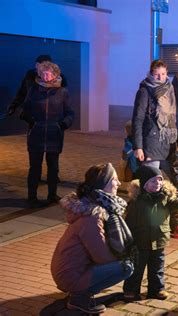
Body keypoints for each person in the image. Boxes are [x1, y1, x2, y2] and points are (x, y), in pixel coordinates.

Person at [51, 163, 134, 314]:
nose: (119, 183)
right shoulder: (92, 216)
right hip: (70, 275)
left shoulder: (91, 206)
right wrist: (121, 256)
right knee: (126, 267)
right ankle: (79, 299)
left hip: (70, 270)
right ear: (103, 185)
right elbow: (101, 256)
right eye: (114, 180)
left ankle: (79, 293)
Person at [123, 162, 178, 301]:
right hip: (140, 240)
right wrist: (129, 241)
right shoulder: (137, 201)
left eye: (159, 180)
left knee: (157, 267)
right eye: (153, 181)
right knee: (137, 268)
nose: (157, 183)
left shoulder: (165, 198)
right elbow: (129, 222)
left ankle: (157, 289)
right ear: (144, 184)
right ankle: (131, 290)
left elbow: (176, 205)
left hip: (159, 239)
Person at [20, 61, 74, 208]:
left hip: (54, 134)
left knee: (53, 167)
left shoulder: (62, 92)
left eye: (48, 72)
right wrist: (31, 121)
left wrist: (62, 124)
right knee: (35, 167)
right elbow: (24, 110)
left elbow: (70, 113)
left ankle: (52, 195)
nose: (45, 75)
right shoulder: (33, 90)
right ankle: (32, 196)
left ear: (56, 74)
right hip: (36, 134)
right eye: (43, 72)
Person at [132, 59, 178, 179]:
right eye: (157, 74)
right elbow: (137, 120)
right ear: (151, 74)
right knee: (151, 180)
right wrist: (138, 147)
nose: (161, 78)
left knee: (173, 181)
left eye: (163, 74)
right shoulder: (144, 91)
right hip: (152, 142)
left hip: (168, 143)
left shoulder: (170, 89)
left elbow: (176, 116)